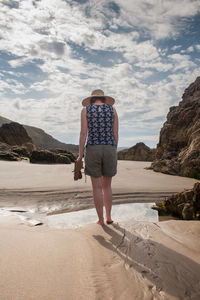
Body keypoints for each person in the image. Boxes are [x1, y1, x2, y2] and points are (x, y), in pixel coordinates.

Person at [76, 89, 119, 226]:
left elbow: (83, 134)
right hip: (110, 148)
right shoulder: (112, 110)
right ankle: (109, 217)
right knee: (107, 186)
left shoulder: (86, 110)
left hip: (93, 148)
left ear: (92, 99)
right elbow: (115, 133)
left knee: (97, 188)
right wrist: (112, 149)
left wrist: (80, 154)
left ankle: (100, 220)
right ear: (103, 98)